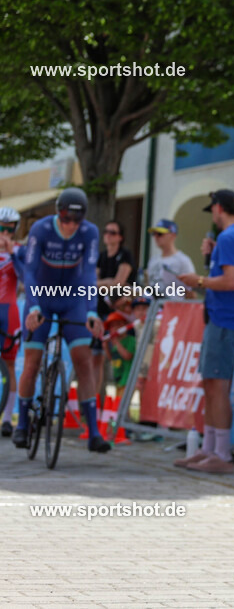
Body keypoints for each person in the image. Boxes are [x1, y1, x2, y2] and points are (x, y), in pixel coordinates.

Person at [12, 188, 109, 453]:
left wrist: (91, 310)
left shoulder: (89, 232)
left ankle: (94, 433)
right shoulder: (41, 230)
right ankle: (22, 425)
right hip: (41, 296)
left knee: (84, 361)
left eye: (76, 222)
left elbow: (89, 272)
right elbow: (30, 272)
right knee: (31, 362)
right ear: (58, 214)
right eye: (66, 220)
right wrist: (33, 307)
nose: (70, 227)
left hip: (73, 298)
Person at [175, 190, 234, 474]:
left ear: (219, 208)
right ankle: (210, 448)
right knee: (212, 384)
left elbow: (232, 281)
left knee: (217, 386)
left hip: (225, 319)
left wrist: (198, 280)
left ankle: (220, 453)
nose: (212, 214)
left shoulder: (229, 237)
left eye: (213, 209)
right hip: (230, 318)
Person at [93, 219, 135, 400]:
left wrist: (108, 283)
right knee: (96, 358)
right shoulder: (100, 256)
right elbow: (92, 284)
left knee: (120, 358)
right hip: (99, 312)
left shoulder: (125, 255)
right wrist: (107, 282)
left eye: (112, 232)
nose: (107, 235)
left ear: (120, 237)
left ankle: (120, 406)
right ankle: (94, 402)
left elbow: (118, 285)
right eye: (106, 231)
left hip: (118, 315)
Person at [0, 207, 22, 437]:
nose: (5, 232)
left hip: (10, 311)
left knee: (9, 366)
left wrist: (13, 254)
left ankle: (7, 420)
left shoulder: (20, 250)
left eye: (9, 228)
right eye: (1, 227)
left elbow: (26, 276)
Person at [106, 296, 150, 401]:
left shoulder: (130, 338)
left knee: (144, 397)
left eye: (144, 308)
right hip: (122, 377)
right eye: (138, 309)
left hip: (136, 373)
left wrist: (116, 342)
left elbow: (127, 356)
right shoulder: (136, 326)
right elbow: (112, 358)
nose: (141, 312)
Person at [146, 219, 196, 298]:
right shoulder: (153, 259)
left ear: (172, 235)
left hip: (173, 307)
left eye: (160, 234)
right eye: (154, 234)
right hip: (153, 307)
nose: (156, 237)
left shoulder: (183, 260)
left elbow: (192, 293)